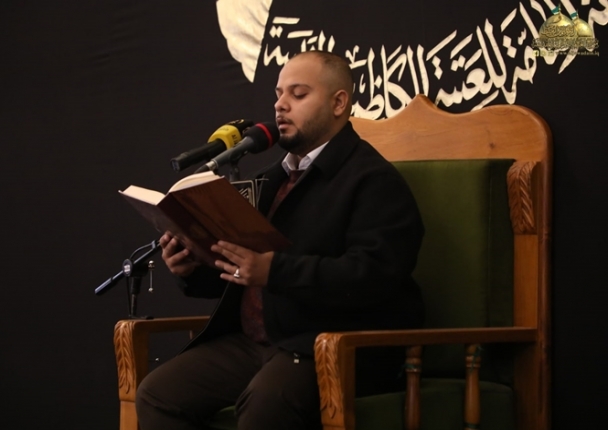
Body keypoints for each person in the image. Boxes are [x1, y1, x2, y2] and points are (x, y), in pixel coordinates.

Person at [136, 50, 425, 430]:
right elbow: (243, 271)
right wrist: (193, 268)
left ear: (339, 103)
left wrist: (274, 271)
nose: (280, 105)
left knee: (267, 402)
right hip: (257, 342)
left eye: (298, 94)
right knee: (159, 393)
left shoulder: (373, 181)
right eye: (278, 94)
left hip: (329, 344)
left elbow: (373, 276)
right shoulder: (270, 180)